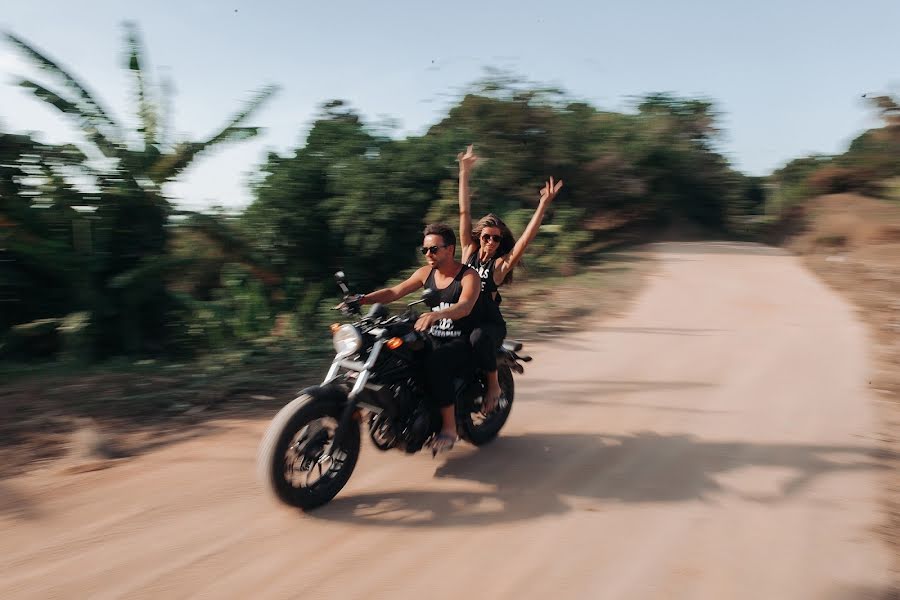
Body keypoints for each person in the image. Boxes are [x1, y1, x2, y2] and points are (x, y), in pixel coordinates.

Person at [357, 223, 480, 455]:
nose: (428, 255)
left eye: (433, 249)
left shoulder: (468, 275)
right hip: (431, 336)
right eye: (424, 250)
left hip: (461, 340)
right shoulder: (426, 273)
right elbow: (395, 292)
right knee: (396, 356)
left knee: (436, 363)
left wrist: (438, 314)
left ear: (450, 249)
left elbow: (465, 306)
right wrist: (363, 299)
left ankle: (449, 428)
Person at [457, 145, 563, 413]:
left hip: (488, 325)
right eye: (486, 236)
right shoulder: (468, 252)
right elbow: (464, 213)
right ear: (478, 237)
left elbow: (525, 240)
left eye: (496, 238)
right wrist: (464, 173)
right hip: (460, 318)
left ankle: (493, 385)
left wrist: (542, 205)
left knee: (479, 338)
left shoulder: (499, 266)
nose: (491, 242)